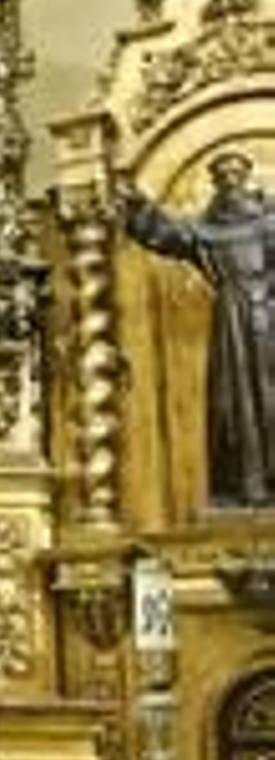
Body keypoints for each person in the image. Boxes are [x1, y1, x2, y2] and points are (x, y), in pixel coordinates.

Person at [124, 149, 275, 507]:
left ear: (247, 175)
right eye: (223, 175)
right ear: (215, 181)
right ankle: (245, 482)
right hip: (232, 323)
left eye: (236, 173)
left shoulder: (269, 223)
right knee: (233, 401)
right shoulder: (206, 227)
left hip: (269, 314)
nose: (230, 180)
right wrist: (137, 206)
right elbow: (165, 233)